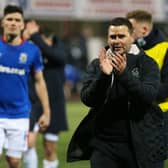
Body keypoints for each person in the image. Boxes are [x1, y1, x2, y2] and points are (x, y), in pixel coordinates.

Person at [67, 17, 167, 168]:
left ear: (132, 37)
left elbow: (148, 96)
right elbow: (87, 99)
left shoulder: (147, 63)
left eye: (121, 36)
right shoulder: (98, 64)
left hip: (138, 143)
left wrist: (123, 74)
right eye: (112, 37)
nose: (116, 41)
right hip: (104, 145)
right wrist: (104, 76)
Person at [0, 5, 50, 168]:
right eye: (9, 19)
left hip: (19, 114)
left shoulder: (32, 50)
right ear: (3, 23)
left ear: (22, 25)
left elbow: (39, 81)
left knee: (14, 161)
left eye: (17, 20)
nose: (13, 23)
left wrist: (46, 112)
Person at [23, 20, 68, 168]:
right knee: (29, 144)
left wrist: (36, 36)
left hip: (55, 101)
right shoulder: (27, 48)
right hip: (33, 100)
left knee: (49, 148)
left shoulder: (57, 45)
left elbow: (58, 57)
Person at [126, 10, 168, 168]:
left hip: (160, 115)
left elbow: (166, 88)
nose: (126, 32)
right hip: (133, 115)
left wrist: (138, 92)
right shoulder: (130, 49)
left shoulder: (166, 49)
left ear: (144, 30)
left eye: (131, 28)